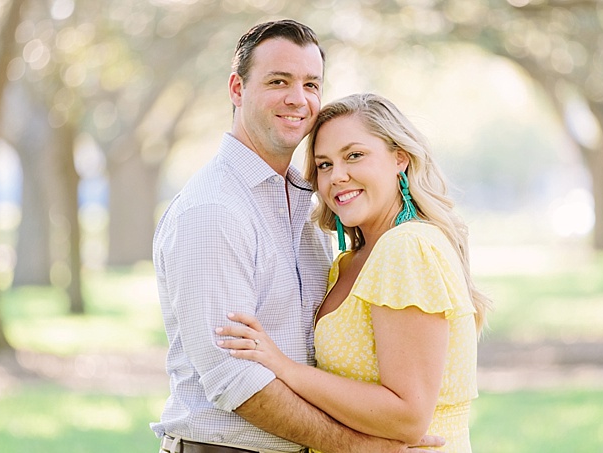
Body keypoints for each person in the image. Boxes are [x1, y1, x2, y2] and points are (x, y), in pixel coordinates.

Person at [152, 20, 445, 453]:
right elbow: (234, 380)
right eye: (278, 81)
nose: (298, 98)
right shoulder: (214, 210)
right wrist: (362, 447)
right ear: (237, 89)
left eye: (311, 84)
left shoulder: (309, 206)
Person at [217, 93, 492, 452]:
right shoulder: (349, 262)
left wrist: (283, 367)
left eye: (354, 156)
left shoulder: (407, 248)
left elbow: (408, 416)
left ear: (400, 159)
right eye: (325, 165)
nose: (338, 177)